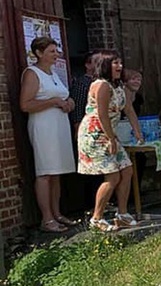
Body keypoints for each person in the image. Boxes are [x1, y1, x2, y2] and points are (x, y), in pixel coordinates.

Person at [78, 51, 143, 231]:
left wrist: (137, 131)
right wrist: (110, 138)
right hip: (96, 135)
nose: (119, 66)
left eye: (120, 62)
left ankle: (121, 214)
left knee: (127, 169)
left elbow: (128, 109)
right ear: (105, 65)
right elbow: (101, 114)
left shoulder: (118, 86)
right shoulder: (101, 85)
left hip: (110, 134)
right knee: (113, 175)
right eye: (115, 63)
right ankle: (97, 218)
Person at [19, 37, 77, 233]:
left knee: (56, 172)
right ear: (39, 53)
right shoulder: (32, 74)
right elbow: (25, 104)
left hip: (59, 125)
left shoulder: (53, 74)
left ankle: (57, 212)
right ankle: (47, 218)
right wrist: (52, 102)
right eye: (52, 51)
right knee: (45, 172)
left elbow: (62, 95)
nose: (56, 55)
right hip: (43, 127)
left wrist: (68, 102)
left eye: (56, 51)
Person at [69, 51, 96, 135]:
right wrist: (78, 129)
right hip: (88, 127)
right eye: (96, 62)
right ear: (87, 65)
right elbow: (78, 108)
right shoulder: (82, 83)